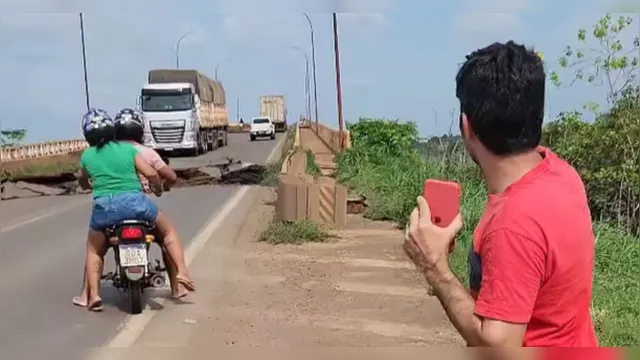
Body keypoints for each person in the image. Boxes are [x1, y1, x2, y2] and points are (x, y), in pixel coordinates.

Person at [404, 41, 600, 348]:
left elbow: (499, 347)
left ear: (467, 126)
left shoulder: (513, 224)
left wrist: (435, 267)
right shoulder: (561, 174)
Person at [73, 109, 195, 308]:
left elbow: (85, 181)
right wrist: (157, 187)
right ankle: (182, 271)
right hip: (135, 204)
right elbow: (152, 173)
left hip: (105, 209)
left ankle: (93, 295)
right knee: (168, 230)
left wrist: (89, 185)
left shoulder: (87, 156)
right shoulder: (129, 151)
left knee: (94, 249)